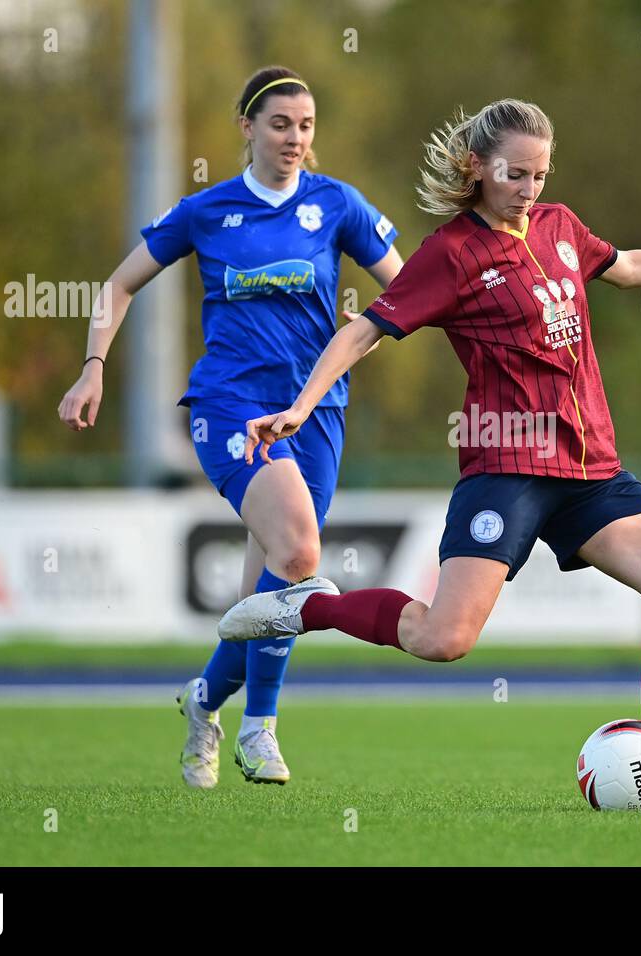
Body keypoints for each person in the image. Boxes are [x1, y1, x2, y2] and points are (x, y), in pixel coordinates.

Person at [216, 98, 641, 810]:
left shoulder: (560, 228)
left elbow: (628, 268)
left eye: (540, 175)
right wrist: (301, 407)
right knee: (443, 639)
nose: (531, 190)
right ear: (478, 168)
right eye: (517, 174)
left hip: (592, 471)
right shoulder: (451, 254)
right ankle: (306, 608)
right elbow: (363, 333)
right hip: (506, 471)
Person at [57, 66, 402, 787]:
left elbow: (405, 292)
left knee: (266, 602)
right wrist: (93, 365)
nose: (295, 139)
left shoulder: (336, 204)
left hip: (317, 412)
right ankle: (260, 732)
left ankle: (203, 703)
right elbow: (116, 285)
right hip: (231, 407)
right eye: (280, 124)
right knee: (302, 551)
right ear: (246, 128)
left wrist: (365, 324)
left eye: (306, 126)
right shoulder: (207, 211)